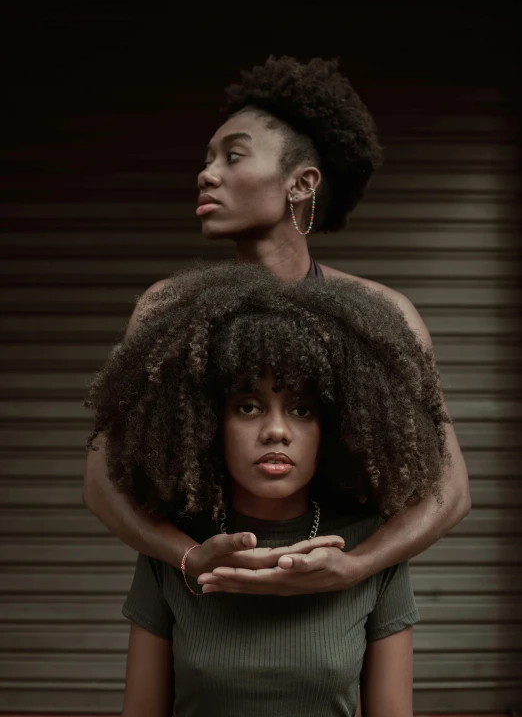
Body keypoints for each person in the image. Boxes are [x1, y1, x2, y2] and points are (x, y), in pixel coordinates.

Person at [83, 54, 469, 600]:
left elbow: (451, 492)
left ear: (300, 182)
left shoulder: (384, 315)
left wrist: (356, 568)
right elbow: (100, 483)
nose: (206, 172)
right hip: (205, 592)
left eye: (232, 156)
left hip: (341, 605)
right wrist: (189, 557)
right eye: (207, 157)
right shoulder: (166, 309)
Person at [86, 262, 449, 717]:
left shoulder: (367, 551)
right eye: (248, 406)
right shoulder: (177, 553)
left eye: (302, 410)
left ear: (334, 429)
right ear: (209, 422)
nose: (277, 431)